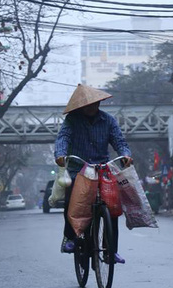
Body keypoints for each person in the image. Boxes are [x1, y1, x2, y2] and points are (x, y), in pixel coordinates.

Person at [54, 84, 132, 263]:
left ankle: (111, 251)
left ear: (99, 103)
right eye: (87, 105)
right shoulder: (72, 120)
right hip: (78, 169)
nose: (91, 107)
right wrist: (60, 154)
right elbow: (63, 138)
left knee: (112, 208)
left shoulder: (108, 121)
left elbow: (119, 141)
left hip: (102, 168)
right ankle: (70, 238)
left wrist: (126, 155)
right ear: (80, 106)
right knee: (71, 199)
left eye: (94, 104)